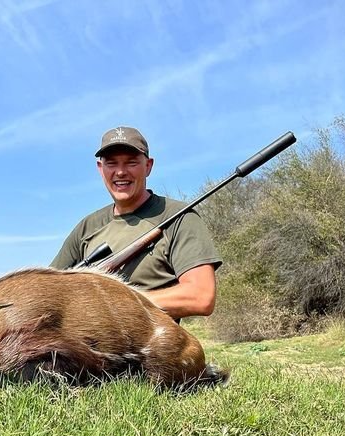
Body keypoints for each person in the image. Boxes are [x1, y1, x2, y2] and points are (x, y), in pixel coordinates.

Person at [50, 126, 221, 320]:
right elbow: (46, 292)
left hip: (151, 347)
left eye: (131, 163)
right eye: (111, 163)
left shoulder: (179, 217)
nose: (121, 172)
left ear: (148, 166)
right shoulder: (87, 228)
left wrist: (115, 303)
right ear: (100, 169)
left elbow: (200, 297)